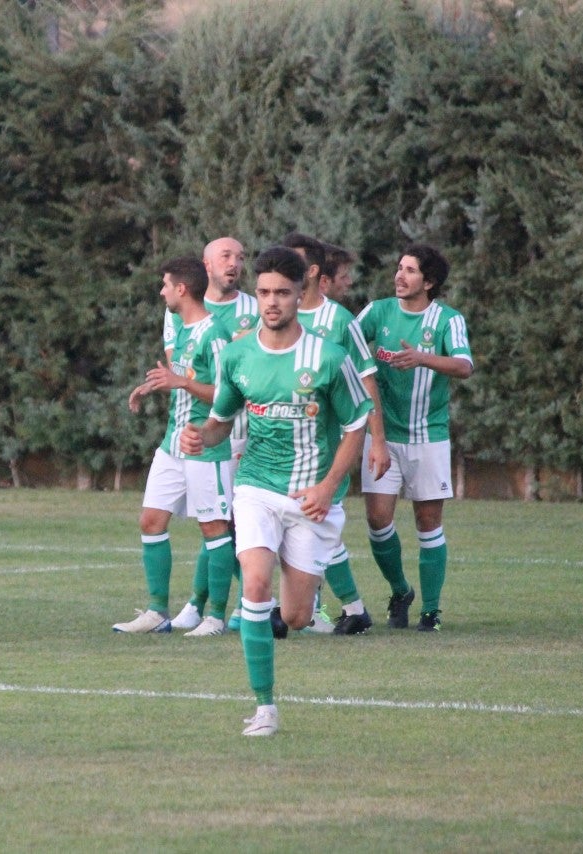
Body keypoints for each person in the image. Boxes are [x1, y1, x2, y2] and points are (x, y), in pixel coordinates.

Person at [181, 246, 372, 736]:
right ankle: (265, 706)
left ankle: (304, 602)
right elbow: (222, 422)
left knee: (296, 615)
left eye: (282, 293)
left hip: (310, 498)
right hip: (256, 488)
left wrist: (330, 487)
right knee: (255, 584)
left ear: (299, 293)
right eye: (264, 292)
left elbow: (356, 426)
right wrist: (201, 434)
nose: (271, 302)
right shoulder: (239, 354)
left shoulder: (328, 358)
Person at [117, 256, 238, 636]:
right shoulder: (183, 330)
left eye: (166, 284)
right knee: (151, 521)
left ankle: (215, 616)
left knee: (214, 528)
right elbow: (179, 378)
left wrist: (181, 383)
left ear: (182, 289)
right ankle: (156, 612)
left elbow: (227, 393)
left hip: (206, 445)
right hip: (172, 443)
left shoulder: (214, 333)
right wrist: (151, 386)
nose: (162, 291)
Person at [356, 244, 473, 632]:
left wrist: (423, 357)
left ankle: (432, 611)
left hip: (428, 437)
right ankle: (400, 589)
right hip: (382, 437)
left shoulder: (447, 320)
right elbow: (347, 345)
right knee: (377, 520)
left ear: (430, 281)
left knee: (427, 522)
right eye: (399, 267)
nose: (399, 276)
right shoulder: (378, 312)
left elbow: (464, 366)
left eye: (410, 270)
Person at [281, 232, 388, 635]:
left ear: (310, 272)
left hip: (329, 444)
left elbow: (367, 380)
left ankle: (315, 609)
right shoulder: (275, 318)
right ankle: (343, 608)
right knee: (302, 522)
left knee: (315, 519)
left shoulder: (339, 321)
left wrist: (377, 440)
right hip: (281, 445)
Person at [161, 237, 258, 632]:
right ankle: (203, 603)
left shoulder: (255, 307)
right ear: (205, 266)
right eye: (225, 256)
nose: (234, 263)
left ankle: (243, 604)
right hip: (203, 429)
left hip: (247, 430)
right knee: (215, 519)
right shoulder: (179, 312)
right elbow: (179, 370)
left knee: (230, 522)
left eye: (240, 256)